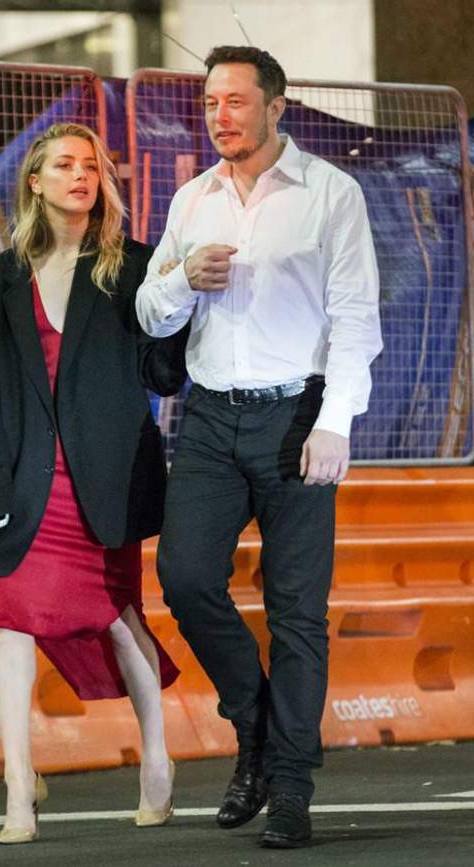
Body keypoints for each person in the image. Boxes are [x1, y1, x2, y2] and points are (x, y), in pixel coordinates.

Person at [136, 45, 382, 849]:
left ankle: (291, 787)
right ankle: (257, 725)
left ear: (276, 106)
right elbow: (149, 312)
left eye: (236, 101)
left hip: (299, 416)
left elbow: (356, 319)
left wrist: (336, 421)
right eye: (211, 102)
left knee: (296, 612)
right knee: (184, 576)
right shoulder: (193, 198)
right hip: (210, 418)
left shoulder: (331, 194)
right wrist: (182, 279)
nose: (221, 116)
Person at [0, 122, 187, 844]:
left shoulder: (133, 266)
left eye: (92, 166)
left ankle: (157, 757)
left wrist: (182, 295)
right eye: (64, 164)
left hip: (106, 479)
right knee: (12, 618)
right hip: (26, 483)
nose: (81, 175)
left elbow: (163, 372)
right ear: (35, 181)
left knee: (119, 615)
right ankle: (17, 783)